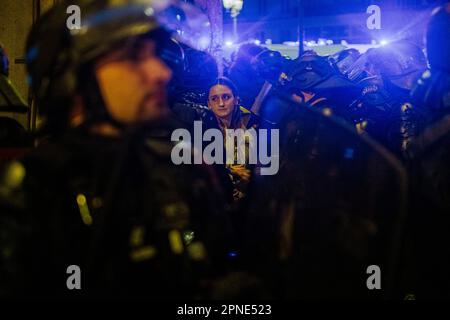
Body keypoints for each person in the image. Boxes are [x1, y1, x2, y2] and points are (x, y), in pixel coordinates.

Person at [0, 0, 233, 298]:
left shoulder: (179, 167)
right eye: (135, 57)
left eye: (156, 55)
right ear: (75, 79)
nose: (161, 72)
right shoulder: (32, 190)